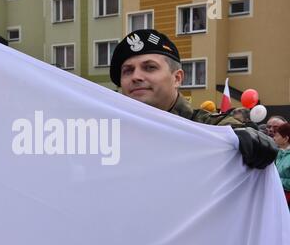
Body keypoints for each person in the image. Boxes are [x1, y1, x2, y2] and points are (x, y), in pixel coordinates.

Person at [110, 29, 278, 169]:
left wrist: (251, 139)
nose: (136, 76)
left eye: (149, 67)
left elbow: (239, 133)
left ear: (177, 78)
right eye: (127, 70)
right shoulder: (107, 135)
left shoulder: (207, 127)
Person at [273, 123, 290, 207]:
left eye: (277, 135)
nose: (274, 138)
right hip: (281, 198)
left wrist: (276, 180)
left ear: (286, 138)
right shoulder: (279, 152)